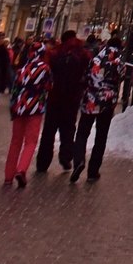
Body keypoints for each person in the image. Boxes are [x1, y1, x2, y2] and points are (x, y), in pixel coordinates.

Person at [71, 32, 127, 182]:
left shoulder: (95, 58)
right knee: (101, 137)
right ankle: (93, 171)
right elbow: (122, 77)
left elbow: (87, 75)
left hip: (91, 99)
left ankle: (79, 161)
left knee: (82, 132)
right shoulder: (119, 61)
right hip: (108, 102)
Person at [36, 31, 88, 175]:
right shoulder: (83, 53)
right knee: (69, 129)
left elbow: (45, 72)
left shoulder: (54, 53)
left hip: (55, 96)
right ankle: (66, 158)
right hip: (73, 98)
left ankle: (42, 162)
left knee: (49, 131)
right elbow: (88, 73)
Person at [3, 39, 51, 188]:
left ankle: (8, 175)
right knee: (30, 141)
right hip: (35, 107)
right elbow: (49, 86)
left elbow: (14, 90)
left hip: (19, 107)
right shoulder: (45, 69)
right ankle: (22, 169)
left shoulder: (22, 69)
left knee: (15, 141)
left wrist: (13, 108)